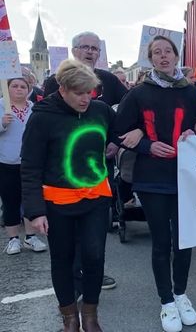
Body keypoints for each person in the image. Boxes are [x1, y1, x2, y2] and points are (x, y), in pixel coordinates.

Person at [115, 36, 196, 332]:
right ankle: (166, 302)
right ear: (150, 59)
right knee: (161, 242)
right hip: (152, 180)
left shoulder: (193, 93)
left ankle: (181, 294)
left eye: (167, 51)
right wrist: (146, 146)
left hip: (186, 178)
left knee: (184, 242)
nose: (163, 56)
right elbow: (118, 132)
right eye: (156, 52)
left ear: (175, 55)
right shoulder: (137, 94)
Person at [22, 59, 116, 331]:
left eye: (89, 92)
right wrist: (35, 210)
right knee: (62, 259)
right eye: (79, 92)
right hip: (57, 203)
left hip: (96, 199)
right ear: (62, 89)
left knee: (95, 256)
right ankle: (70, 319)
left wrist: (135, 135)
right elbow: (30, 166)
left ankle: (90, 316)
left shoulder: (101, 111)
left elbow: (124, 130)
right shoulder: (42, 117)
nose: (86, 98)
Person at [44, 31, 125, 291]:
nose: (90, 52)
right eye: (85, 47)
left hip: (99, 169)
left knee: (95, 231)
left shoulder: (110, 81)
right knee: (69, 234)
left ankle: (93, 274)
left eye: (95, 48)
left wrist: (115, 140)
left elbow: (126, 114)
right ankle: (73, 280)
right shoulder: (53, 82)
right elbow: (47, 123)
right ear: (73, 50)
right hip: (64, 173)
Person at [1, 77, 47, 255]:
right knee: (11, 201)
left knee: (30, 200)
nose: (19, 89)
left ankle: (30, 237)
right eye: (15, 86)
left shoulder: (34, 108)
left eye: (23, 86)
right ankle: (13, 239)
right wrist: (2, 124)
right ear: (8, 88)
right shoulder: (1, 106)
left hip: (30, 163)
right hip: (6, 162)